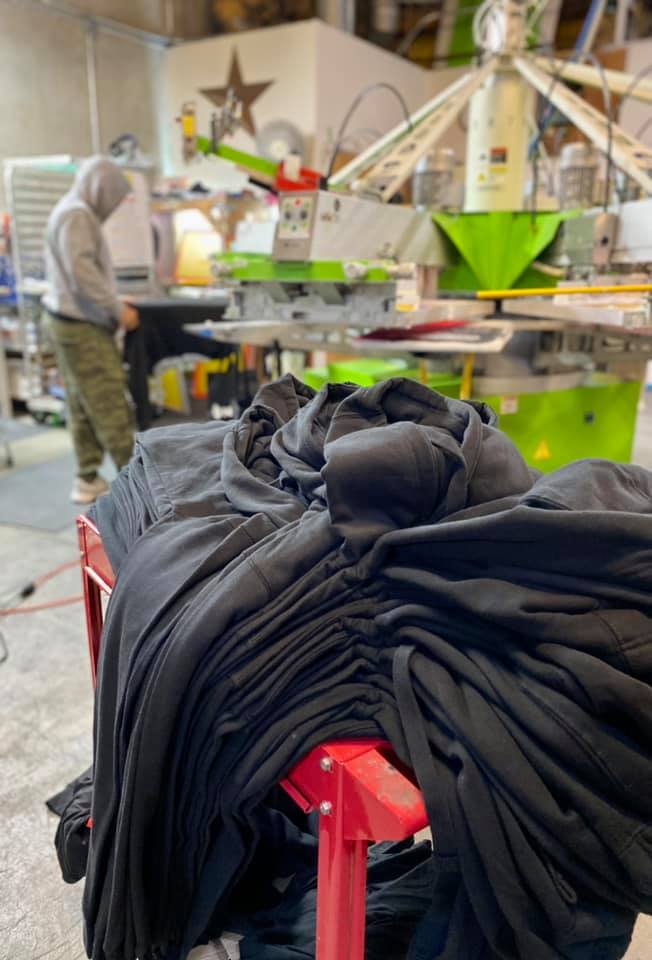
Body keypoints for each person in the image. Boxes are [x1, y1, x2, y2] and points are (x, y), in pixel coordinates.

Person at [43, 156, 140, 504]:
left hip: (66, 320)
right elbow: (81, 273)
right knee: (108, 400)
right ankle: (138, 489)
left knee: (82, 402)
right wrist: (116, 308)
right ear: (100, 189)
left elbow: (81, 272)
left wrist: (112, 297)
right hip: (81, 326)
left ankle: (87, 477)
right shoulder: (77, 215)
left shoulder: (71, 211)